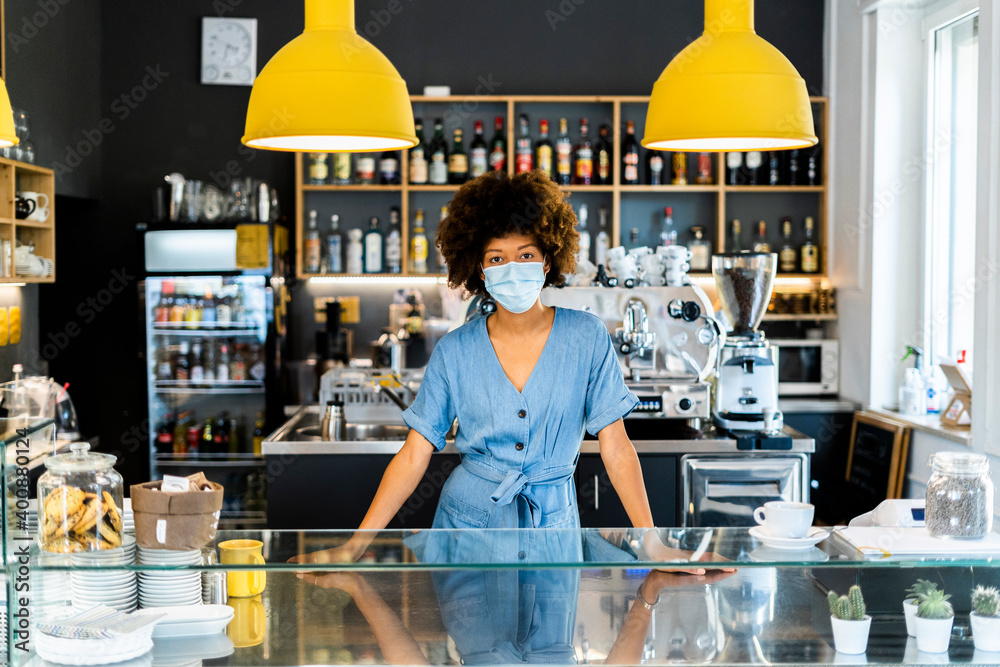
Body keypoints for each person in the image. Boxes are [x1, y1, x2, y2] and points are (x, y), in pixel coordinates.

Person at [292, 170, 719, 568]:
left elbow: (617, 448)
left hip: (553, 529)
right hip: (467, 529)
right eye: (496, 258)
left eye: (525, 254)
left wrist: (653, 542)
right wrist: (354, 546)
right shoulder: (455, 350)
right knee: (477, 646)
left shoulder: (587, 338)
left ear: (547, 260)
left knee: (551, 647)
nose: (511, 268)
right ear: (478, 268)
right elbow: (414, 455)